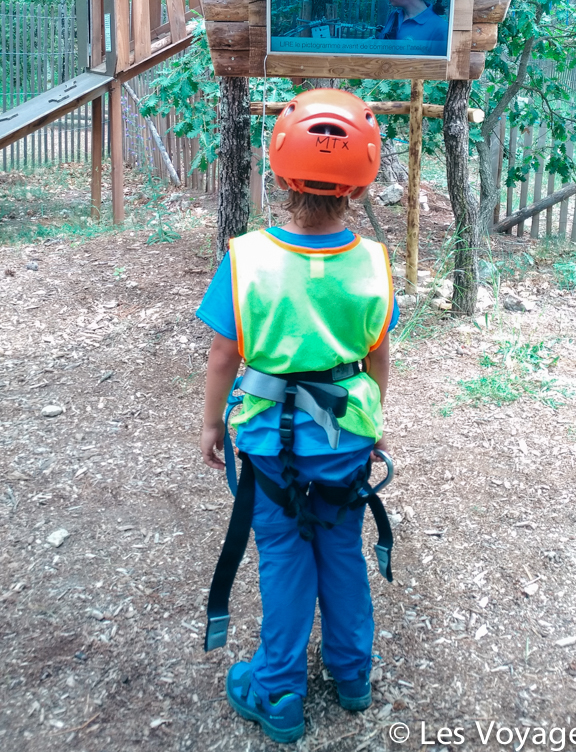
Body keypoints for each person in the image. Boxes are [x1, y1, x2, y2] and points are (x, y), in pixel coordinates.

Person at [197, 89, 399, 744]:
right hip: (345, 438)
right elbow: (378, 357)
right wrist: (372, 424)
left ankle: (279, 690)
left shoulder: (246, 258)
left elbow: (224, 355)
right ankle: (352, 674)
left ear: (280, 171)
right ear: (361, 181)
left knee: (284, 555)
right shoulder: (373, 263)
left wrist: (211, 424)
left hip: (267, 441)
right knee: (340, 549)